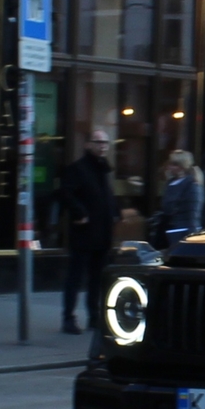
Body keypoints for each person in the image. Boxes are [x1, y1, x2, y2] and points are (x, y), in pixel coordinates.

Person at [60, 129, 115, 334]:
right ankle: (68, 317)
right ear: (88, 144)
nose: (103, 146)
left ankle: (94, 316)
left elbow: (105, 198)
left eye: (106, 143)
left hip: (102, 232)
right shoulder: (78, 169)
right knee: (76, 276)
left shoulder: (103, 169)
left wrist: (115, 213)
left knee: (97, 277)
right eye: (99, 142)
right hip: (84, 232)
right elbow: (66, 194)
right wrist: (79, 212)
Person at [154, 150, 203, 249]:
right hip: (167, 228)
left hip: (182, 230)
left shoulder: (191, 184)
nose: (169, 167)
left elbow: (192, 210)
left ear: (182, 167)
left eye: (174, 165)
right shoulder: (171, 183)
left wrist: (191, 234)